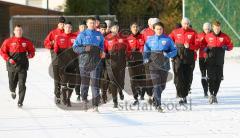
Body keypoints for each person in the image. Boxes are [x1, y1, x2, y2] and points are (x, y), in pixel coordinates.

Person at [72, 17, 105, 112]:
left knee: (95, 83)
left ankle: (95, 105)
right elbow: (75, 47)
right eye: (90, 23)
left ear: (96, 24)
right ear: (87, 24)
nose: (92, 24)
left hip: (96, 63)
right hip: (84, 63)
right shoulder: (82, 34)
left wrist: (102, 51)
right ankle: (85, 101)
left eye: (94, 23)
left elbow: (102, 45)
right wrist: (84, 49)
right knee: (85, 83)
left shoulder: (99, 34)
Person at [143, 22, 177, 112]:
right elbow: (145, 51)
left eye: (160, 29)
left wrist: (168, 54)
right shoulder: (150, 40)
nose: (159, 30)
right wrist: (145, 58)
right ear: (154, 29)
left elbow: (174, 51)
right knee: (157, 85)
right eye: (157, 29)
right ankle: (158, 105)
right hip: (153, 65)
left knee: (162, 86)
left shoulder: (168, 39)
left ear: (163, 29)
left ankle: (155, 97)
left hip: (164, 65)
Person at [0, 25, 35, 107]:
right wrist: (8, 59)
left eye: (20, 30)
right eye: (17, 30)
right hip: (11, 66)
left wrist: (30, 55)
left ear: (22, 31)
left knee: (22, 84)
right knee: (12, 83)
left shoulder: (26, 41)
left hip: (23, 66)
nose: (19, 31)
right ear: (14, 32)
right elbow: (2, 51)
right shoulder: (8, 41)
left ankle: (20, 101)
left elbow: (32, 51)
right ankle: (12, 91)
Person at [169, 17, 199, 104]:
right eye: (184, 23)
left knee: (187, 77)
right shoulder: (175, 32)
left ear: (189, 24)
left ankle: (184, 96)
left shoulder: (193, 32)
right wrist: (172, 49)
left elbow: (197, 45)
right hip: (178, 57)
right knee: (178, 76)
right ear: (181, 24)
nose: (186, 25)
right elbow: (169, 41)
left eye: (187, 24)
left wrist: (190, 46)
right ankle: (181, 95)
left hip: (189, 57)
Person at [203, 20, 233, 104]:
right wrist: (205, 49)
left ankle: (215, 95)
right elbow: (202, 44)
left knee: (218, 78)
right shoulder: (208, 36)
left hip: (219, 61)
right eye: (215, 28)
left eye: (218, 28)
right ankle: (211, 94)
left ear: (220, 28)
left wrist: (226, 47)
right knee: (211, 78)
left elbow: (231, 45)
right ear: (213, 28)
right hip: (210, 61)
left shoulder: (225, 36)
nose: (217, 29)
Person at [53, 22, 77, 107]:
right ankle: (64, 98)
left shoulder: (75, 37)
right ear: (64, 28)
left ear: (71, 28)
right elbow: (55, 49)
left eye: (70, 27)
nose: (68, 28)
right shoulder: (59, 37)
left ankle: (68, 98)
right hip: (63, 63)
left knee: (72, 82)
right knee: (64, 81)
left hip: (73, 63)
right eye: (66, 27)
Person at [104, 22, 127, 108]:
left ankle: (120, 90)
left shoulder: (123, 38)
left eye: (117, 28)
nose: (115, 29)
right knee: (113, 81)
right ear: (110, 29)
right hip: (111, 62)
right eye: (114, 28)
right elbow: (103, 50)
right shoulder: (107, 38)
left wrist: (127, 58)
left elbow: (127, 49)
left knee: (121, 81)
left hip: (121, 62)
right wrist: (105, 55)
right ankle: (115, 101)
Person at [44, 16, 65, 104]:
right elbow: (46, 43)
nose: (62, 25)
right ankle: (57, 95)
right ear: (58, 24)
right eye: (61, 24)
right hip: (56, 58)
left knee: (64, 76)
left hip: (65, 58)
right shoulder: (53, 33)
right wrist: (52, 42)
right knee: (56, 77)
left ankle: (64, 94)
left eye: (63, 24)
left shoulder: (67, 32)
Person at [141, 17, 160, 103]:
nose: (155, 26)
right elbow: (142, 43)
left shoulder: (160, 31)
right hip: (147, 57)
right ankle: (149, 94)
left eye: (156, 24)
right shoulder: (145, 32)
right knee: (148, 77)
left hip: (157, 57)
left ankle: (154, 95)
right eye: (153, 24)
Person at [126, 22, 145, 106]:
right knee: (132, 80)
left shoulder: (143, 37)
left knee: (141, 78)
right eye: (133, 27)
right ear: (131, 28)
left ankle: (141, 91)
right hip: (131, 62)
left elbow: (146, 46)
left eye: (136, 27)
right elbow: (125, 50)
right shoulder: (128, 38)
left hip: (141, 61)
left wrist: (142, 49)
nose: (135, 28)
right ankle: (135, 97)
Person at [197, 22, 212, 98]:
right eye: (206, 29)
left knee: (210, 75)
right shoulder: (199, 35)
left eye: (209, 29)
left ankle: (210, 91)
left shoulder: (213, 35)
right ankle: (205, 91)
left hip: (210, 58)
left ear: (211, 28)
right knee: (203, 75)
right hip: (202, 57)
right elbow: (196, 45)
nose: (207, 30)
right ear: (203, 28)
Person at [74, 20, 87, 101]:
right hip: (76, 59)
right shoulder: (75, 35)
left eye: (84, 27)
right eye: (81, 27)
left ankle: (84, 94)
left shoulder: (88, 35)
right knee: (78, 77)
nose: (83, 28)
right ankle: (78, 94)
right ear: (79, 27)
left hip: (86, 59)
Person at [99, 22, 110, 103]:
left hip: (107, 59)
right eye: (102, 29)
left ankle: (104, 93)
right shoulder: (96, 36)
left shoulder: (109, 37)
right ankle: (99, 93)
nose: (103, 31)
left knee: (106, 77)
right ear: (99, 29)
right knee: (99, 77)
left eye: (104, 29)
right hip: (98, 60)